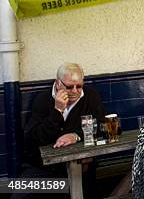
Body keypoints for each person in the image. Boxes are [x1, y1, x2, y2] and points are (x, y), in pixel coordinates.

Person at [18, 63, 105, 199]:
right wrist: (57, 111)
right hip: (43, 166)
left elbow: (101, 126)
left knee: (83, 190)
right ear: (58, 84)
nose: (75, 91)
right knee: (19, 194)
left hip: (79, 164)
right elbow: (34, 139)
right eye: (69, 87)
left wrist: (75, 135)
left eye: (79, 86)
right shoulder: (43, 99)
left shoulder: (90, 96)